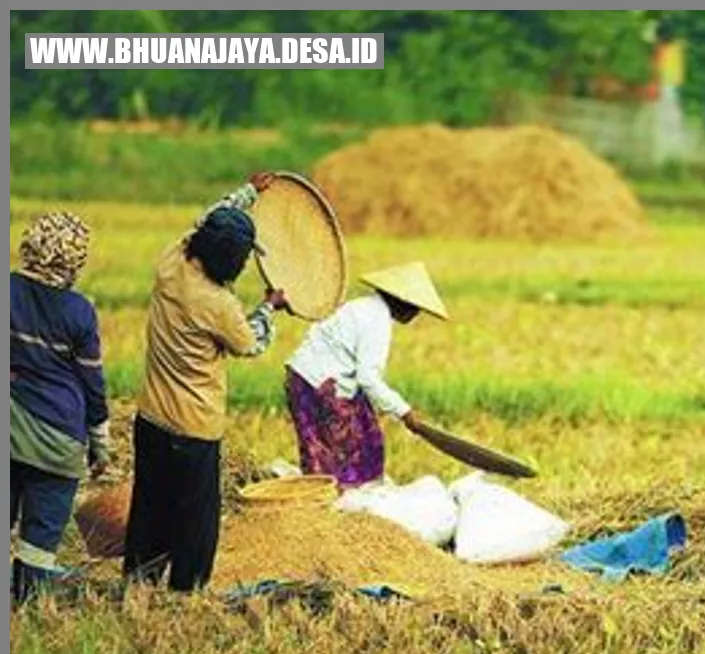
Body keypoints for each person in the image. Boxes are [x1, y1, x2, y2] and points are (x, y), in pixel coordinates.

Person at [122, 173, 289, 592]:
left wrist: (248, 193)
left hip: (151, 417)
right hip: (194, 428)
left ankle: (139, 584)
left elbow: (205, 221)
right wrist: (270, 307)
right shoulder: (218, 305)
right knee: (196, 519)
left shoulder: (172, 260)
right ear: (231, 263)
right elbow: (251, 345)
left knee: (149, 507)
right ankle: (186, 595)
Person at [10, 212, 109, 603]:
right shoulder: (79, 312)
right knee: (41, 537)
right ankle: (28, 605)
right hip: (59, 442)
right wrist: (100, 445)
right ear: (74, 262)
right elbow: (93, 387)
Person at [284, 261, 449, 489]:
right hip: (317, 384)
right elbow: (368, 378)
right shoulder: (377, 322)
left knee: (362, 436)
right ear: (403, 303)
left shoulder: (363, 306)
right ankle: (340, 505)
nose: (416, 314)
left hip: (305, 377)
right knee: (346, 453)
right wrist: (405, 413)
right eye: (415, 307)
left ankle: (342, 501)